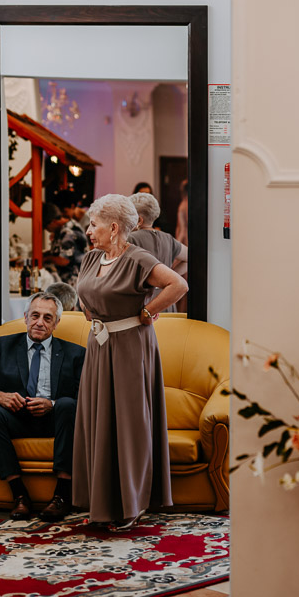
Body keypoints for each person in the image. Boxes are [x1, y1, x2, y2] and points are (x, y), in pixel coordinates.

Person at [72, 194, 188, 529]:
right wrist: (92, 311)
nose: (88, 231)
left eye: (93, 224)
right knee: (99, 421)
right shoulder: (91, 258)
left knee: (129, 424)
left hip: (130, 348)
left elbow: (178, 283)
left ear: (113, 228)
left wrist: (148, 311)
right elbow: (85, 296)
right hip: (99, 347)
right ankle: (103, 501)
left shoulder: (138, 258)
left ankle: (132, 504)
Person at [0, 293, 85, 521]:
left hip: (58, 421)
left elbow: (85, 394)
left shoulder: (75, 353)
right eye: (35, 316)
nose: (40, 322)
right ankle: (20, 495)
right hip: (17, 419)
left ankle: (62, 495)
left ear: (56, 323)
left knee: (67, 404)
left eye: (47, 318)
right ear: (25, 317)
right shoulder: (4, 345)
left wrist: (52, 404)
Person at [128, 192, 188, 312]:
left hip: (144, 305)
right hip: (166, 302)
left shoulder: (130, 239)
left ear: (139, 219)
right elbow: (189, 257)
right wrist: (169, 277)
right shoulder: (168, 238)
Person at [41, 202, 88, 287]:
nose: (46, 230)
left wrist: (46, 258)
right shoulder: (60, 231)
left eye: (45, 227)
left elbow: (64, 260)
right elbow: (58, 252)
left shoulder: (69, 232)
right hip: (67, 283)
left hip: (75, 284)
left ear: (53, 222)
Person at [174, 179, 189, 247]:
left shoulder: (183, 206)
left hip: (185, 237)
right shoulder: (188, 205)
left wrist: (176, 246)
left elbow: (182, 229)